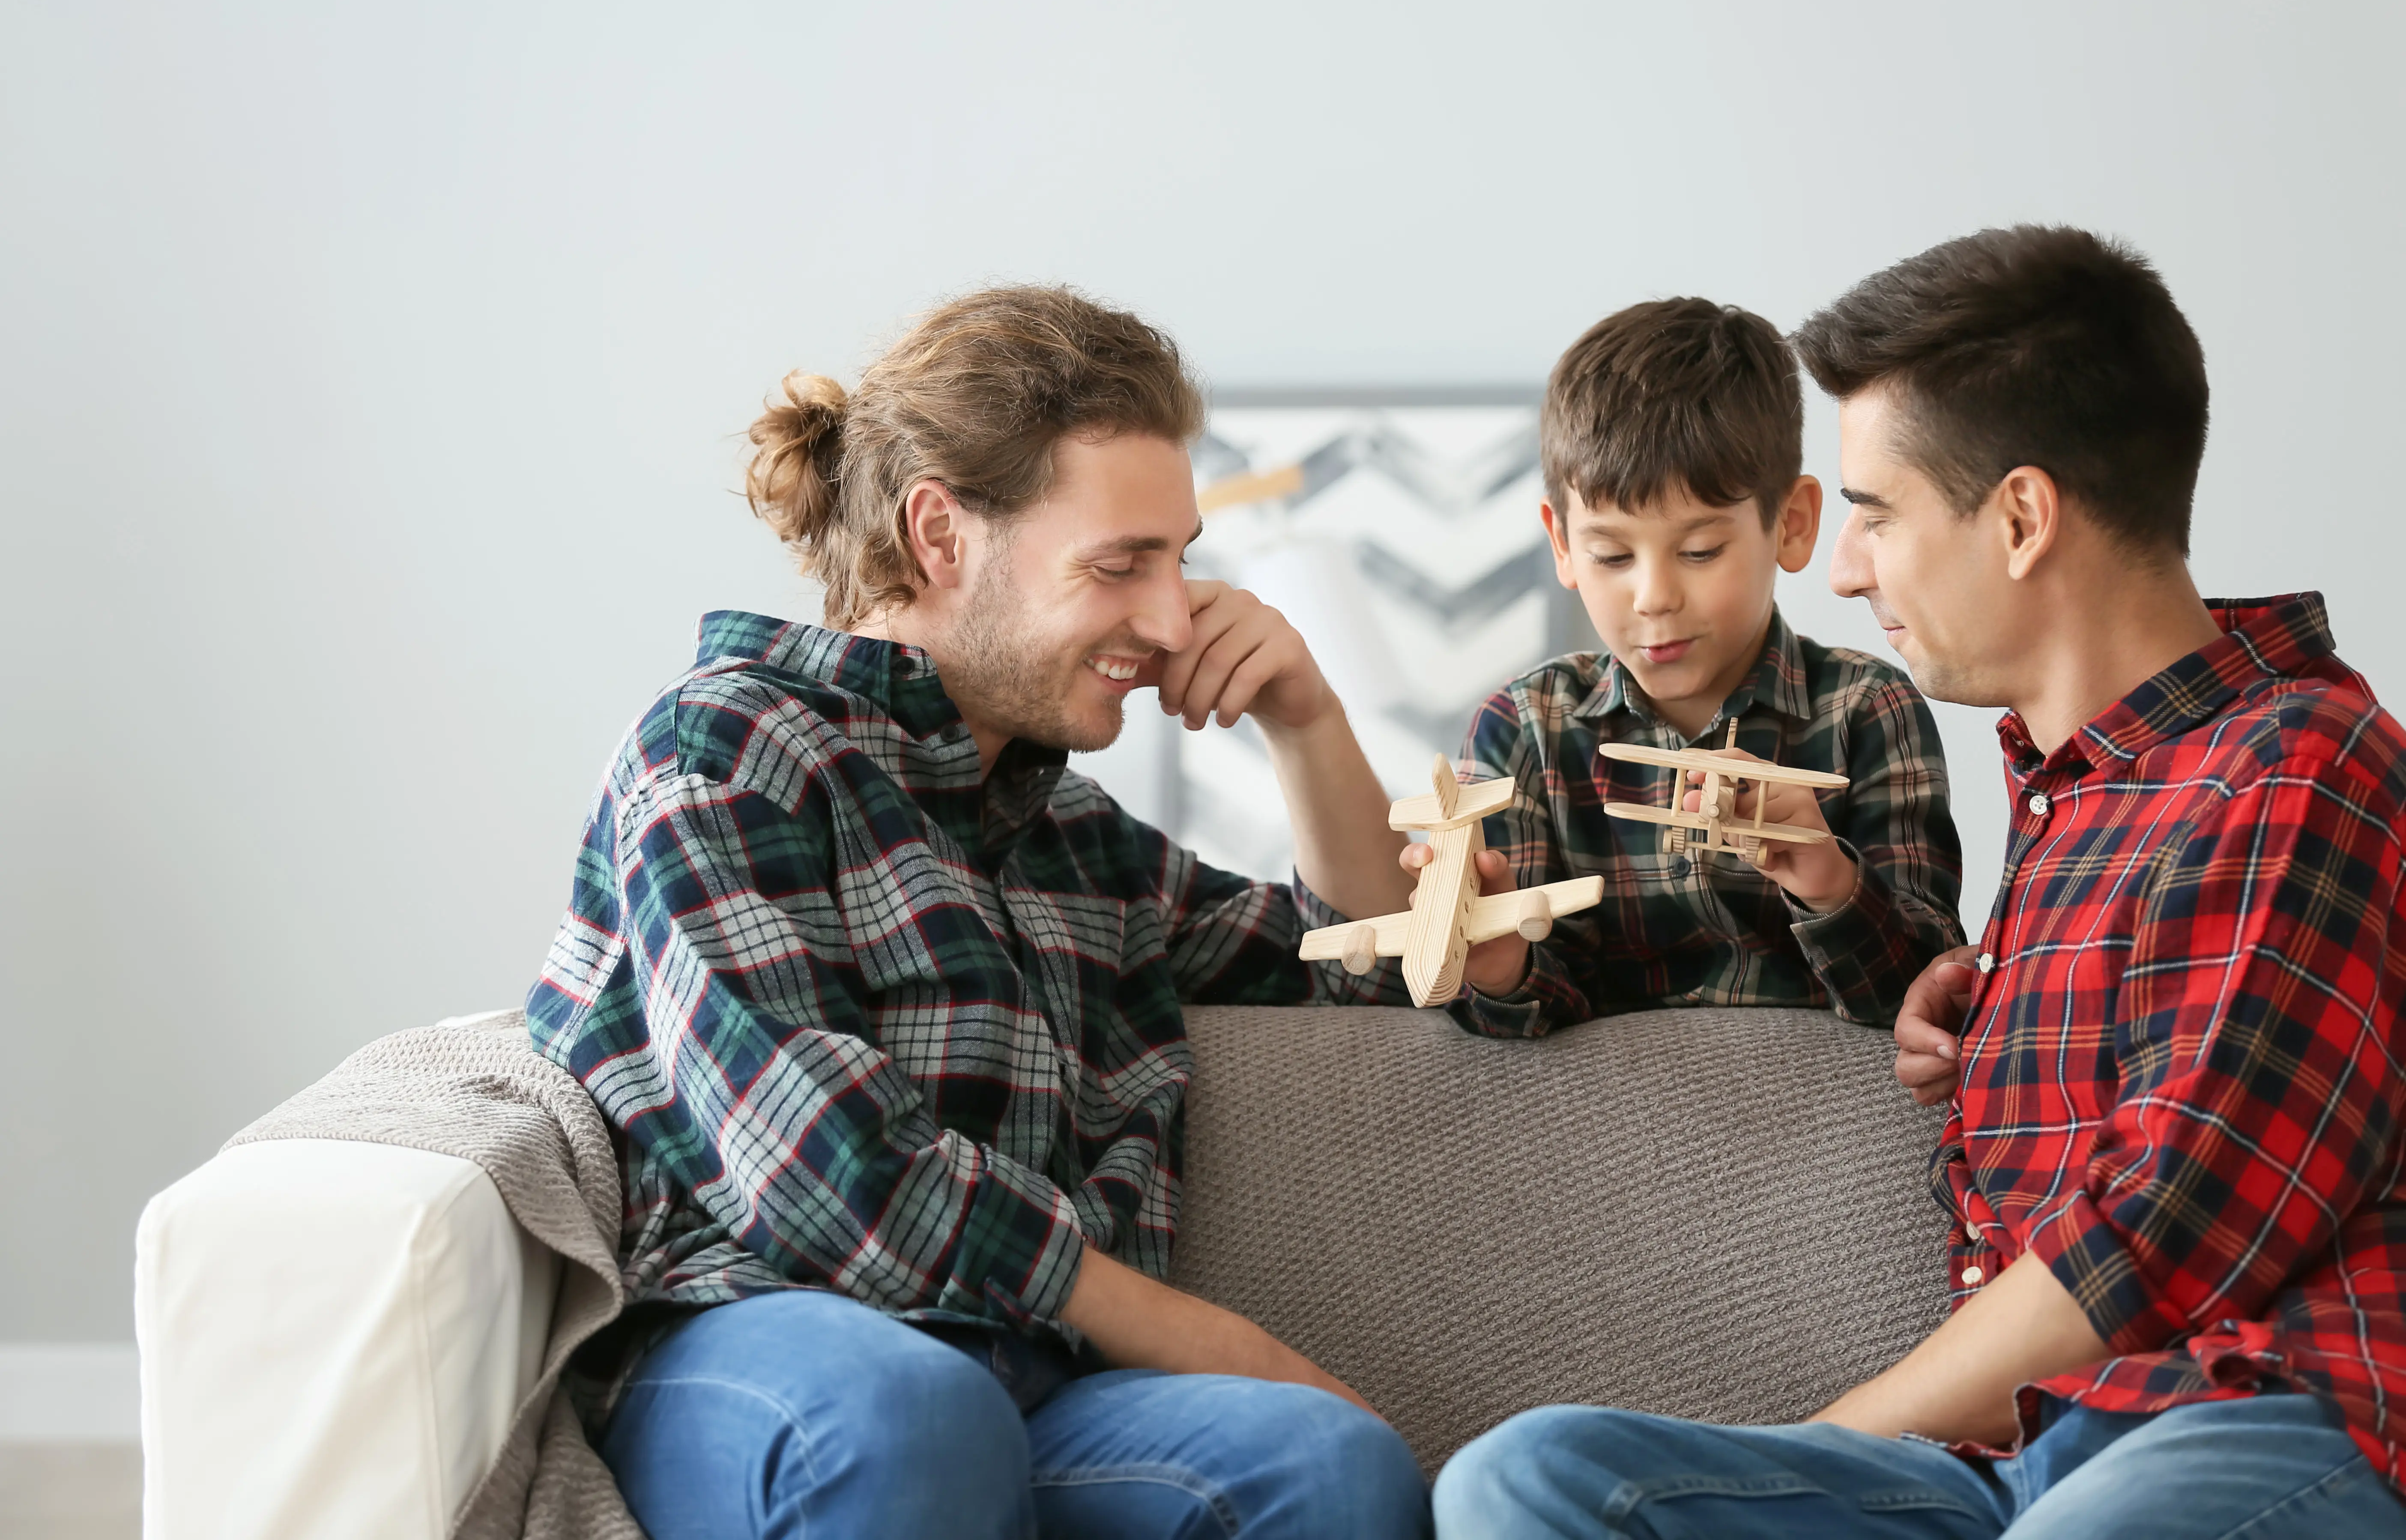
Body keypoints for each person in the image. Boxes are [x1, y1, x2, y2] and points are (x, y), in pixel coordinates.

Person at [1433, 228, 2406, 1538]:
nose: (1842, 567)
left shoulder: (2300, 766)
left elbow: (2168, 1227)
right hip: (2021, 1462)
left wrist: (1823, 1442)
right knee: (1530, 1479)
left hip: (2255, 1404)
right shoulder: (2077, 804)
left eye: (1877, 514)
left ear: (2020, 518)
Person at [525, 286, 1430, 1540]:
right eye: (1122, 565)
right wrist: (1201, 1335)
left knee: (1324, 1465)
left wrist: (1308, 720)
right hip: (762, 1354)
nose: (1173, 619)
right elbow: (829, 1170)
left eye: (1180, 559)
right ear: (942, 534)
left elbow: (1372, 973)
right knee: (910, 1417)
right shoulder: (727, 750)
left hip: (1034, 1385)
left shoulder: (1070, 840)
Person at [1390, 298, 1962, 1032]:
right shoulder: (1525, 729)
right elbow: (1529, 1021)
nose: (1654, 597)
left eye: (1699, 552)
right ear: (1562, 546)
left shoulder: (1866, 708)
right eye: (1612, 555)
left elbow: (1934, 999)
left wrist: (1827, 878)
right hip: (1602, 1125)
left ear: (1791, 525)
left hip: (1827, 1125)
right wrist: (1500, 965)